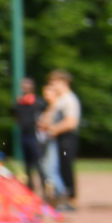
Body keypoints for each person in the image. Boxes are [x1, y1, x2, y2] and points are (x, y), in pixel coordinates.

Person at [42, 69, 81, 210]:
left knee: (66, 167)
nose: (52, 85)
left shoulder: (70, 99)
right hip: (58, 138)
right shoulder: (59, 100)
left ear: (64, 82)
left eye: (54, 82)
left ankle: (71, 199)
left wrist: (53, 129)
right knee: (57, 167)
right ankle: (62, 197)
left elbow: (71, 122)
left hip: (67, 138)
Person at [12, 78, 45, 194]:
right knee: (27, 164)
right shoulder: (19, 102)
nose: (25, 87)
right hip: (24, 135)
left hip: (35, 135)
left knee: (38, 163)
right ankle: (30, 188)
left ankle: (44, 188)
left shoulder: (39, 102)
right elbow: (15, 116)